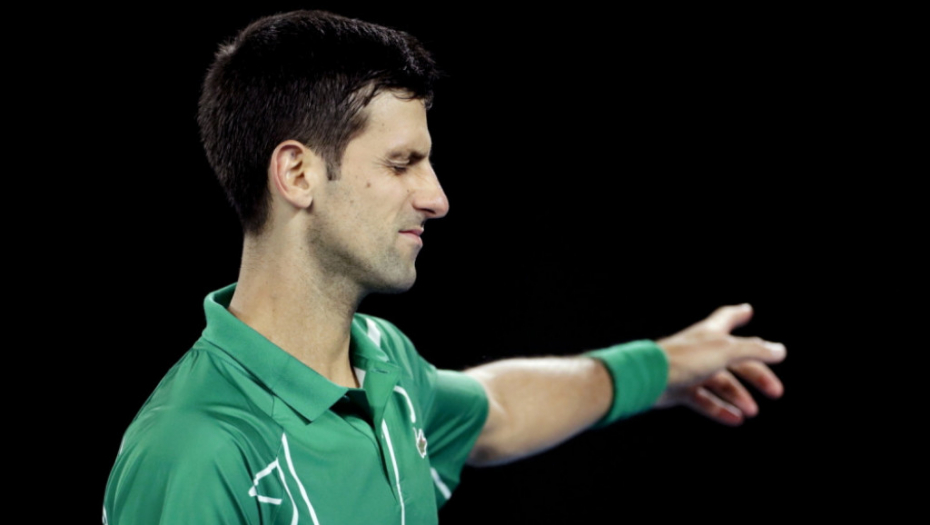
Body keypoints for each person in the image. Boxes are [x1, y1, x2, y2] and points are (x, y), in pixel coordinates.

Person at [103, 10, 786, 525]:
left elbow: (500, 410)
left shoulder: (383, 361)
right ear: (298, 173)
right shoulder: (193, 453)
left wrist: (663, 366)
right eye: (402, 163)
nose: (437, 198)